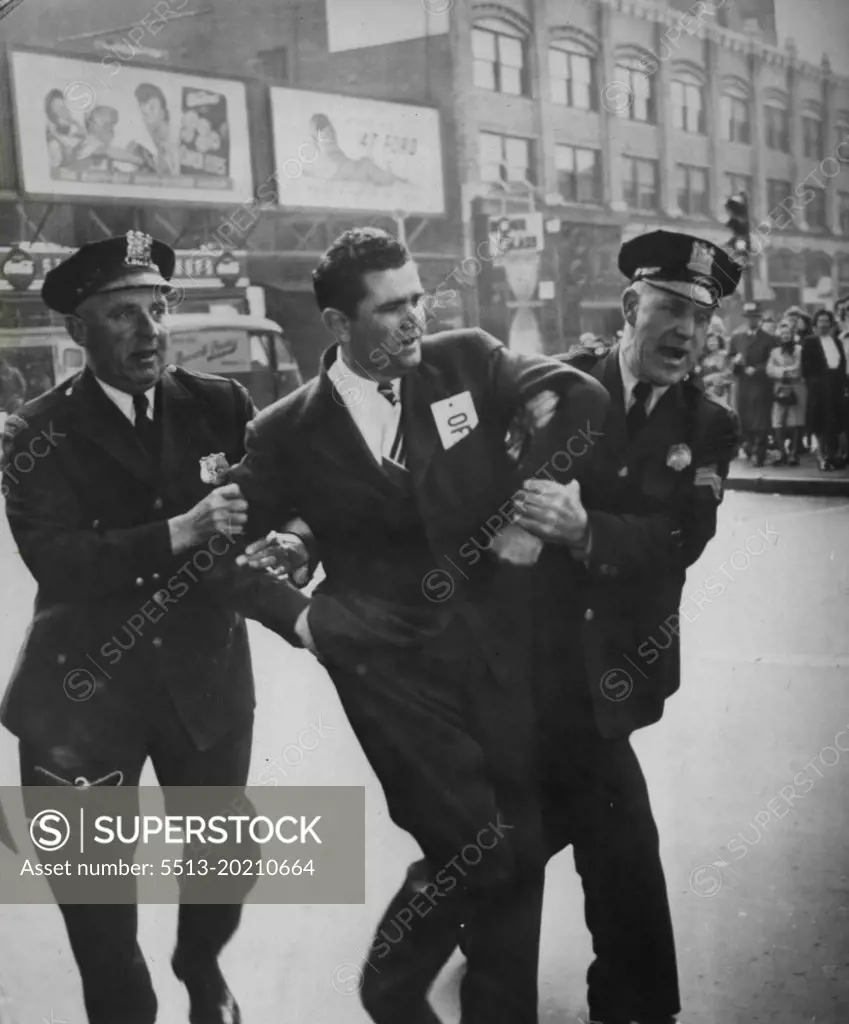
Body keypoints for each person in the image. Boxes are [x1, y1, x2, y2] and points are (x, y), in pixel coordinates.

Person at [228, 226, 608, 1024]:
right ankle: (393, 985)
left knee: (516, 850)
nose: (413, 320)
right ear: (339, 325)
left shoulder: (465, 358)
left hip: (496, 653)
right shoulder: (284, 431)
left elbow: (581, 398)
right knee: (479, 844)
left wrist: (529, 515)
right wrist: (303, 622)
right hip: (386, 674)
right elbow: (214, 557)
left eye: (417, 300)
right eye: (391, 307)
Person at [0, 230, 312, 1024]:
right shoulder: (37, 432)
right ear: (78, 331)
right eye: (123, 314)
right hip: (81, 699)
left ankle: (199, 967)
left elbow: (276, 502)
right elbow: (59, 563)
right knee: (98, 907)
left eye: (158, 309)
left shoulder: (220, 404)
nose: (149, 331)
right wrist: (181, 530)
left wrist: (290, 541)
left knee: (226, 856)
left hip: (201, 685)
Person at [511, 230, 741, 1024]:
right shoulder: (555, 387)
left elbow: (680, 539)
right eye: (671, 308)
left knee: (547, 840)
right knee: (596, 844)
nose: (686, 332)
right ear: (630, 306)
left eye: (702, 319)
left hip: (609, 675)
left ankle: (630, 1005)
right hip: (524, 670)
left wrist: (583, 531)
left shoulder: (706, 425)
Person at [801, 308, 847, 471]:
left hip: (836, 387)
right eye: (821, 322)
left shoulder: (836, 341)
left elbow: (842, 365)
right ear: (815, 324)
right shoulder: (810, 341)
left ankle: (835, 456)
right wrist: (816, 385)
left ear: (831, 324)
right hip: (819, 389)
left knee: (837, 423)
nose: (824, 325)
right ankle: (822, 456)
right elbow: (805, 369)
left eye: (827, 322)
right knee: (819, 423)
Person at [729, 301, 774, 465]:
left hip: (761, 384)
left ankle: (759, 452)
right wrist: (735, 362)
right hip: (744, 384)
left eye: (754, 317)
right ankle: (749, 446)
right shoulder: (737, 338)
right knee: (745, 418)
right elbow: (730, 359)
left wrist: (758, 369)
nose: (751, 320)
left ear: (759, 319)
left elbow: (772, 360)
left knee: (761, 419)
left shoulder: (769, 339)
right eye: (748, 317)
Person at [766, 318, 805, 465]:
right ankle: (781, 452)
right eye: (783, 334)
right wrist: (784, 372)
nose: (785, 336)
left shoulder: (799, 350)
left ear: (792, 334)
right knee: (777, 421)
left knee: (794, 420)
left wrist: (783, 371)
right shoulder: (775, 352)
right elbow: (770, 370)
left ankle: (793, 452)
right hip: (779, 388)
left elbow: (799, 368)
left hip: (795, 387)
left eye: (788, 333)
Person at [697, 328, 732, 402]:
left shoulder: (725, 356)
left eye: (713, 340)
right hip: (707, 394)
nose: (711, 343)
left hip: (723, 393)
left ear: (718, 341)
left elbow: (730, 373)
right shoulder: (705, 359)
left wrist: (713, 377)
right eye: (709, 341)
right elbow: (700, 378)